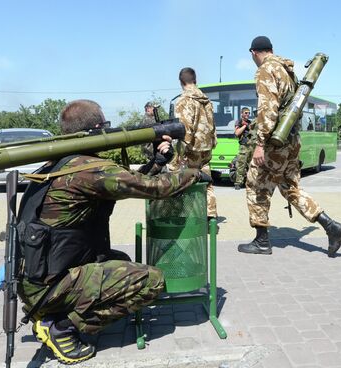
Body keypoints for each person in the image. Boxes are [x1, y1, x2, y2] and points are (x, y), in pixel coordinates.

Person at [17, 100, 205, 364]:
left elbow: (124, 184)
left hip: (38, 280)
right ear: (96, 129)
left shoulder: (57, 165)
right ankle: (62, 326)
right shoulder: (89, 170)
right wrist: (195, 173)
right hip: (51, 286)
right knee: (149, 282)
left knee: (123, 264)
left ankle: (55, 311)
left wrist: (156, 162)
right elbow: (155, 189)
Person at [238, 36, 341, 257]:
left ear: (253, 53)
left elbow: (267, 110)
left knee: (256, 185)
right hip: (292, 141)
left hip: (274, 144)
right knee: (291, 188)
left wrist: (260, 144)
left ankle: (261, 241)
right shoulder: (288, 71)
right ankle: (331, 226)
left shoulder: (266, 70)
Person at [168, 67, 218, 221]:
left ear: (181, 81)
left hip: (191, 149)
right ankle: (211, 218)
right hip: (206, 148)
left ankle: (183, 216)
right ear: (195, 80)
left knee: (181, 179)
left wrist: (178, 155)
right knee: (206, 181)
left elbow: (184, 129)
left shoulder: (184, 100)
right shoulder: (206, 100)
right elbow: (212, 126)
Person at [233, 107, 256, 189]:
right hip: (244, 147)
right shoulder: (239, 122)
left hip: (252, 147)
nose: (247, 114)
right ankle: (238, 183)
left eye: (249, 113)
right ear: (241, 113)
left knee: (252, 166)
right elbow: (237, 133)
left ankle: (251, 182)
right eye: (246, 113)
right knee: (241, 166)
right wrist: (244, 126)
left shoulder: (250, 122)